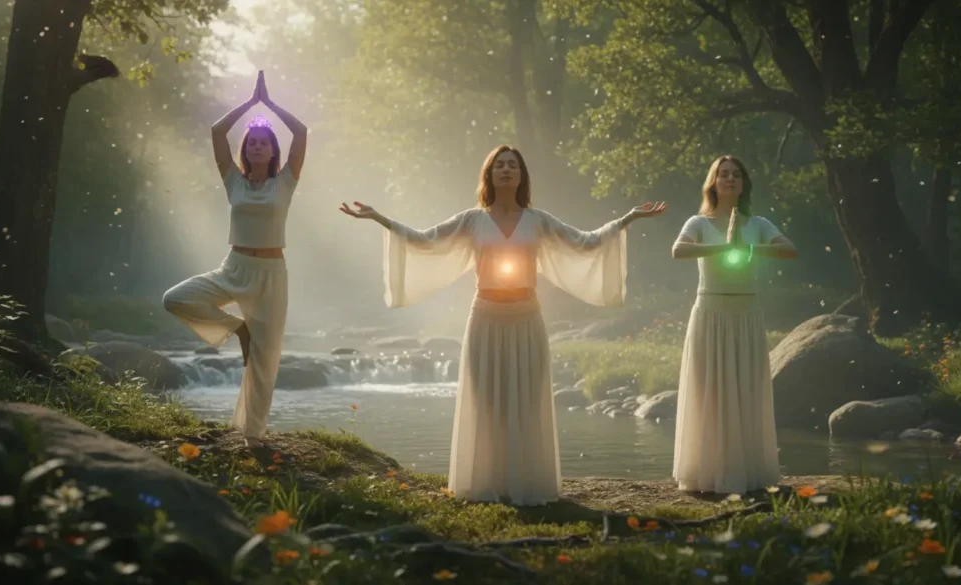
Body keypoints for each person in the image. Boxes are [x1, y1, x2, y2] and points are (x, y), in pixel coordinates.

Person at [340, 145, 667, 505]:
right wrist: (379, 218)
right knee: (487, 400)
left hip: (527, 317)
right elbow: (425, 240)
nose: (506, 170)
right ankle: (485, 484)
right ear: (490, 174)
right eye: (500, 165)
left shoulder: (538, 220)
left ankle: (527, 484)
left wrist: (628, 219)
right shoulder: (472, 219)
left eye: (513, 165)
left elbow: (584, 242)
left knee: (526, 399)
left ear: (522, 175)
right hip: (485, 315)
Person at [162, 71, 307, 448]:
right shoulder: (233, 181)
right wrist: (249, 104)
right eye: (252, 143)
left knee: (265, 359)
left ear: (273, 151)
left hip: (272, 275)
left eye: (264, 143)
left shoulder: (285, 182)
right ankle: (237, 328)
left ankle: (253, 436)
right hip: (234, 267)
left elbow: (302, 133)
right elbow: (215, 132)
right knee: (175, 298)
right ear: (246, 150)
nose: (257, 147)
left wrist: (270, 104)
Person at [670, 155, 798, 494]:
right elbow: (678, 251)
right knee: (711, 391)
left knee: (745, 390)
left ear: (743, 184)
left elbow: (789, 249)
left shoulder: (757, 223)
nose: (729, 179)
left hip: (746, 315)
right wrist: (724, 247)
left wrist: (750, 247)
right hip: (710, 313)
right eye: (723, 174)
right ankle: (707, 473)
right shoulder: (698, 222)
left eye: (736, 175)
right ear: (713, 182)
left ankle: (749, 473)